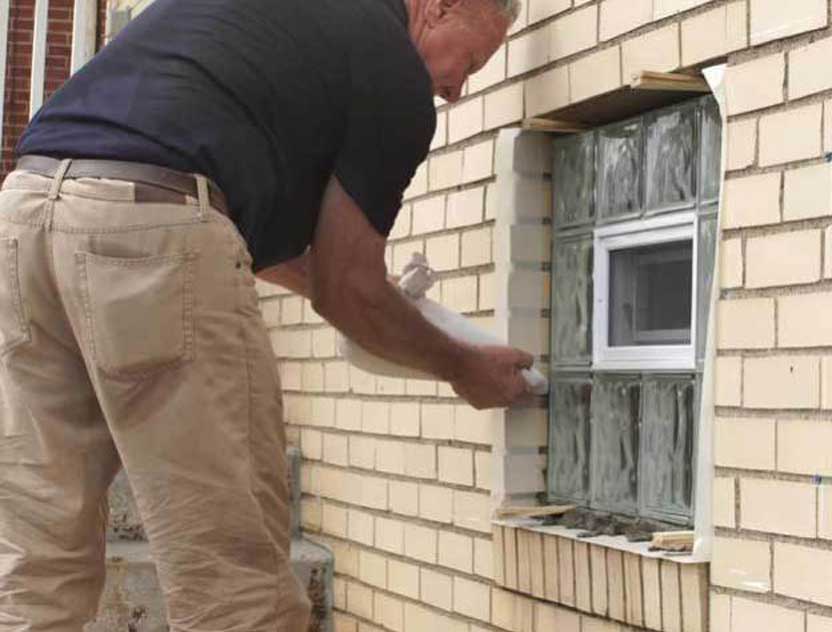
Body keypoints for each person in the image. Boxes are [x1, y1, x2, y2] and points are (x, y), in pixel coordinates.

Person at [0, 0, 529, 629]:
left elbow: (295, 260)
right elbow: (346, 288)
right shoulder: (393, 69)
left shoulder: (291, 30)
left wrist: (372, 294)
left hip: (25, 218)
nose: (458, 90)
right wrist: (463, 365)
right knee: (232, 575)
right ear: (440, 7)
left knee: (37, 555)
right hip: (155, 227)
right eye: (471, 60)